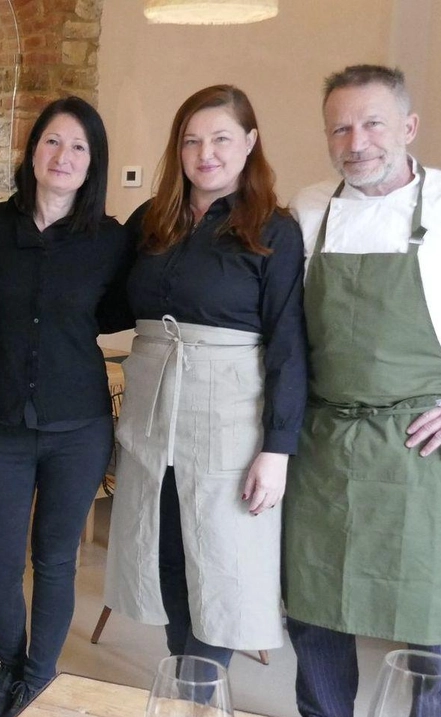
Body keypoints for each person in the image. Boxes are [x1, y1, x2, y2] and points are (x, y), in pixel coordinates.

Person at [285, 64, 441, 717]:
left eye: (372, 123)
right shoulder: (308, 209)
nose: (356, 141)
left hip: (424, 454)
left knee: (436, 628)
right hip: (325, 448)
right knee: (314, 615)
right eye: (340, 127)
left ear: (409, 127)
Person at [103, 84, 306, 670]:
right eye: (192, 141)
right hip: (151, 412)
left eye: (220, 138)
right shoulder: (153, 220)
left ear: (249, 143)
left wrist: (278, 449)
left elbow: (289, 346)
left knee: (222, 563)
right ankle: (186, 680)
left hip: (230, 419)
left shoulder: (274, 229)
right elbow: (110, 305)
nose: (205, 153)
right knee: (164, 552)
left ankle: (198, 693)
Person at [0, 96, 133, 717]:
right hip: (2, 421)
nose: (64, 157)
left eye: (79, 147)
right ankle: (9, 665)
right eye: (53, 143)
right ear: (32, 152)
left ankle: (39, 676)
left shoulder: (110, 241)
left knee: (56, 559)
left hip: (79, 425)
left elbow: (122, 308)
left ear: (93, 164)